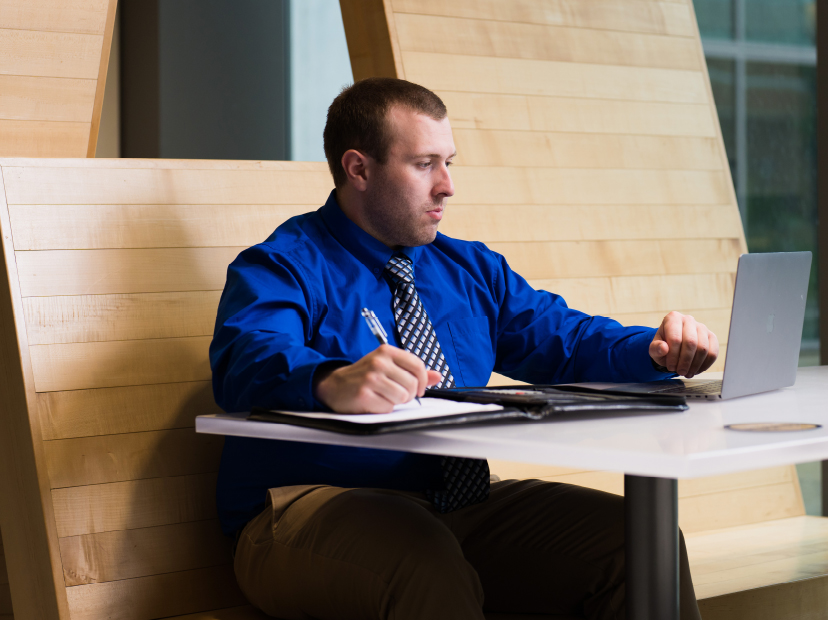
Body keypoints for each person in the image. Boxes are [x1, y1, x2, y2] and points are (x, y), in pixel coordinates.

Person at [209, 77, 719, 620]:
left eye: (449, 162)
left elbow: (565, 339)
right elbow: (246, 357)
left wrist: (657, 350)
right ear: (358, 168)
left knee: (638, 543)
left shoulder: (470, 268)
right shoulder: (285, 263)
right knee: (423, 563)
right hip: (307, 508)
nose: (447, 185)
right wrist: (330, 379)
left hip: (454, 503)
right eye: (425, 164)